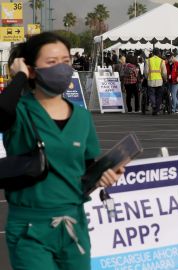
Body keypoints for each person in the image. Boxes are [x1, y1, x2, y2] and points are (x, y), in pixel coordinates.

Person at [0, 32, 125, 270]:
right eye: (51, 62)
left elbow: (86, 171)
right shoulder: (20, 112)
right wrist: (18, 78)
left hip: (73, 225)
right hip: (30, 229)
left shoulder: (82, 117)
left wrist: (104, 176)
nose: (61, 68)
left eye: (66, 61)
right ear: (32, 69)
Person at [145, 48, 167, 115]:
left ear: (153, 53)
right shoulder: (161, 61)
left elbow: (146, 71)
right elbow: (164, 72)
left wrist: (147, 77)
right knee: (159, 95)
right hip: (159, 80)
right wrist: (165, 79)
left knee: (151, 94)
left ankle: (153, 104)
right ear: (159, 53)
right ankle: (157, 109)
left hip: (151, 80)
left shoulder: (148, 60)